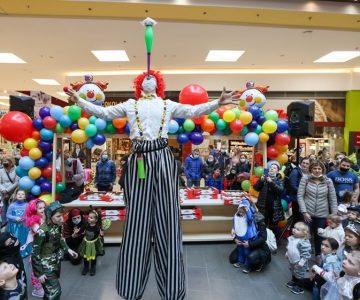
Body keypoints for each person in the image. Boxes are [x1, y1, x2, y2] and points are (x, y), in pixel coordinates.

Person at [66, 69, 239, 300]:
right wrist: (80, 101)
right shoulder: (129, 105)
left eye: (153, 77)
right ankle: (131, 287)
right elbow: (104, 112)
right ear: (139, 84)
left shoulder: (168, 104)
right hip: (139, 159)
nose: (149, 79)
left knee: (168, 218)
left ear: (159, 83)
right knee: (137, 220)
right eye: (144, 78)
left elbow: (193, 110)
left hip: (163, 158)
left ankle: (172, 289)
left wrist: (217, 103)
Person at [32, 201, 78, 300]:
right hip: (45, 266)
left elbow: (60, 239)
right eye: (58, 216)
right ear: (49, 216)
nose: (62, 219)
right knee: (55, 291)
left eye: (62, 215)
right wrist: (39, 273)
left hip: (55, 262)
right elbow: (35, 253)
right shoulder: (42, 232)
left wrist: (68, 249)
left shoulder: (58, 225)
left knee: (49, 292)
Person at [297, 160, 338, 264]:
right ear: (311, 169)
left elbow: (332, 199)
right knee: (304, 235)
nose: (317, 170)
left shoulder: (328, 181)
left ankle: (318, 255)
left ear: (322, 170)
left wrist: (334, 215)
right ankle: (302, 255)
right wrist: (304, 211)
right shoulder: (305, 179)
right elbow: (300, 196)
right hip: (307, 213)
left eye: (319, 169)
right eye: (314, 168)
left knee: (319, 236)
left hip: (322, 214)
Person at [253, 163, 284, 235]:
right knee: (262, 226)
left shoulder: (279, 180)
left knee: (274, 227)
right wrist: (261, 181)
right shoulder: (263, 178)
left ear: (277, 171)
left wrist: (271, 182)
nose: (272, 168)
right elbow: (255, 188)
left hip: (274, 208)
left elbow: (280, 191)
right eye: (271, 167)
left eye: (274, 168)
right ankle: (263, 242)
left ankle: (273, 242)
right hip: (263, 207)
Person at [24, 198, 46, 298]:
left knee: (44, 265)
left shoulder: (45, 218)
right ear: (34, 210)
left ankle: (43, 283)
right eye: (40, 208)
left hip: (45, 247)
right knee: (36, 267)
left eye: (44, 207)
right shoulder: (34, 221)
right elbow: (40, 232)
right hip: (37, 248)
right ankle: (37, 288)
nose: (43, 209)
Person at [231, 199, 258, 273]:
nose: (241, 214)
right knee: (240, 250)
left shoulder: (249, 216)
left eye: (243, 212)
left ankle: (248, 265)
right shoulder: (237, 215)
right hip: (239, 237)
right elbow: (234, 223)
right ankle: (241, 261)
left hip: (247, 238)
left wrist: (248, 211)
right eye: (240, 212)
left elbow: (250, 219)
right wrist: (233, 230)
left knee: (247, 252)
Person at [285, 222, 312, 295]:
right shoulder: (291, 238)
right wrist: (287, 253)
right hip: (292, 260)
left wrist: (301, 262)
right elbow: (289, 247)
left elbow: (306, 254)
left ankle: (300, 287)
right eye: (294, 228)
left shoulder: (304, 242)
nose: (294, 230)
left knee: (300, 274)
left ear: (304, 233)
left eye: (297, 229)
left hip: (300, 262)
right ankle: (294, 281)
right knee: (293, 271)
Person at [78, 210, 104, 276]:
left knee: (93, 256)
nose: (89, 218)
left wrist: (101, 235)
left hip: (94, 244)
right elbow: (81, 230)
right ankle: (86, 267)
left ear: (96, 220)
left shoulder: (97, 227)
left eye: (91, 218)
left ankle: (93, 268)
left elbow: (100, 236)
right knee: (85, 256)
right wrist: (77, 232)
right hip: (86, 243)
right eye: (89, 217)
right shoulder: (86, 224)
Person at [6, 190, 30, 258]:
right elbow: (7, 215)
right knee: (15, 238)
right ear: (16, 196)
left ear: (25, 197)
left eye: (22, 194)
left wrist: (24, 218)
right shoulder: (12, 205)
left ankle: (23, 251)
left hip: (23, 226)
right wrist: (15, 217)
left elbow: (29, 215)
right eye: (18, 194)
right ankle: (14, 252)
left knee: (23, 238)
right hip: (14, 226)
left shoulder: (27, 205)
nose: (20, 195)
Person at [288, 157, 310, 226]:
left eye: (307, 163)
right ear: (300, 163)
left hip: (306, 200)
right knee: (297, 219)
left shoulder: (309, 173)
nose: (305, 165)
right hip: (296, 199)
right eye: (303, 163)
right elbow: (293, 186)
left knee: (303, 219)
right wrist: (304, 193)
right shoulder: (295, 172)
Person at [0, 156, 18, 224]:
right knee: (4, 206)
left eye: (6, 161)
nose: (4, 163)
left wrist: (7, 190)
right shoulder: (1, 171)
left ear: (11, 162)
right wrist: (3, 190)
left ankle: (12, 223)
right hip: (3, 192)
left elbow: (17, 182)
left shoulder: (16, 170)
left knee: (12, 207)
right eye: (3, 161)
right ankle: (4, 223)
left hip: (13, 192)